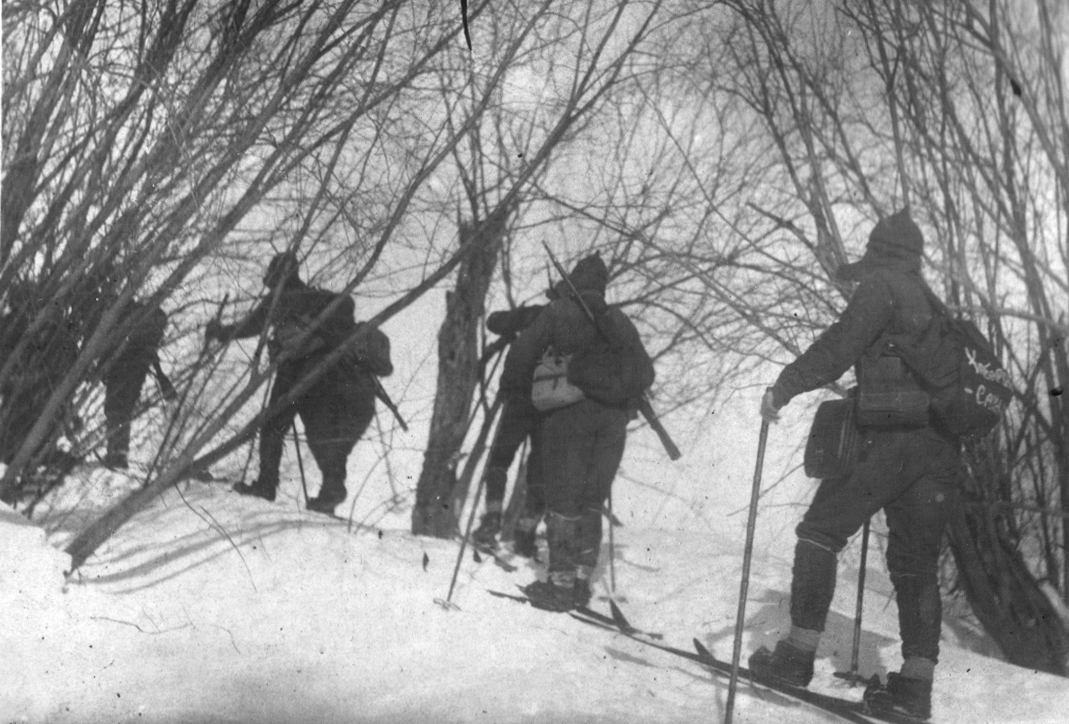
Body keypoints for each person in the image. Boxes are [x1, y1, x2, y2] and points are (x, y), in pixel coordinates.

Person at [749, 210, 960, 722]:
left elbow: (838, 347)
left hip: (888, 442)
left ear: (880, 255)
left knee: (819, 533)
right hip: (938, 450)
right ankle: (914, 689)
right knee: (914, 564)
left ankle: (796, 657)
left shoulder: (881, 288)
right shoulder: (932, 304)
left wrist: (785, 385)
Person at [500, 252, 653, 611]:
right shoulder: (618, 321)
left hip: (569, 417)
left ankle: (560, 586)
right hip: (613, 423)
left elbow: (522, 355)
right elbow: (645, 373)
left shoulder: (559, 312)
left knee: (563, 500)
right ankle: (582, 581)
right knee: (590, 500)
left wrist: (514, 392)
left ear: (572, 282)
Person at [205, 251, 393, 515]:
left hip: (295, 370)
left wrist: (221, 332)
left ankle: (267, 484)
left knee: (273, 424)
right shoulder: (317, 298)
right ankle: (331, 489)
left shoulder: (282, 298)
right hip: (326, 371)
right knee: (321, 432)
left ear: (279, 275)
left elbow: (252, 325)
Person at [472, 301, 551, 557]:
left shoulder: (536, 314)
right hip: (552, 404)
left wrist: (518, 320)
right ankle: (526, 530)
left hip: (519, 397)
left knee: (500, 459)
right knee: (540, 466)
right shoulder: (578, 322)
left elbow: (494, 321)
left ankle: (491, 519)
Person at [99, 301, 176, 469]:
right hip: (138, 370)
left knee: (114, 409)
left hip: (121, 367)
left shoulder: (127, 314)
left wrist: (104, 367)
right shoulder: (147, 315)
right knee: (124, 410)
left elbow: (112, 343)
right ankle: (119, 454)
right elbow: (151, 350)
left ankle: (115, 453)